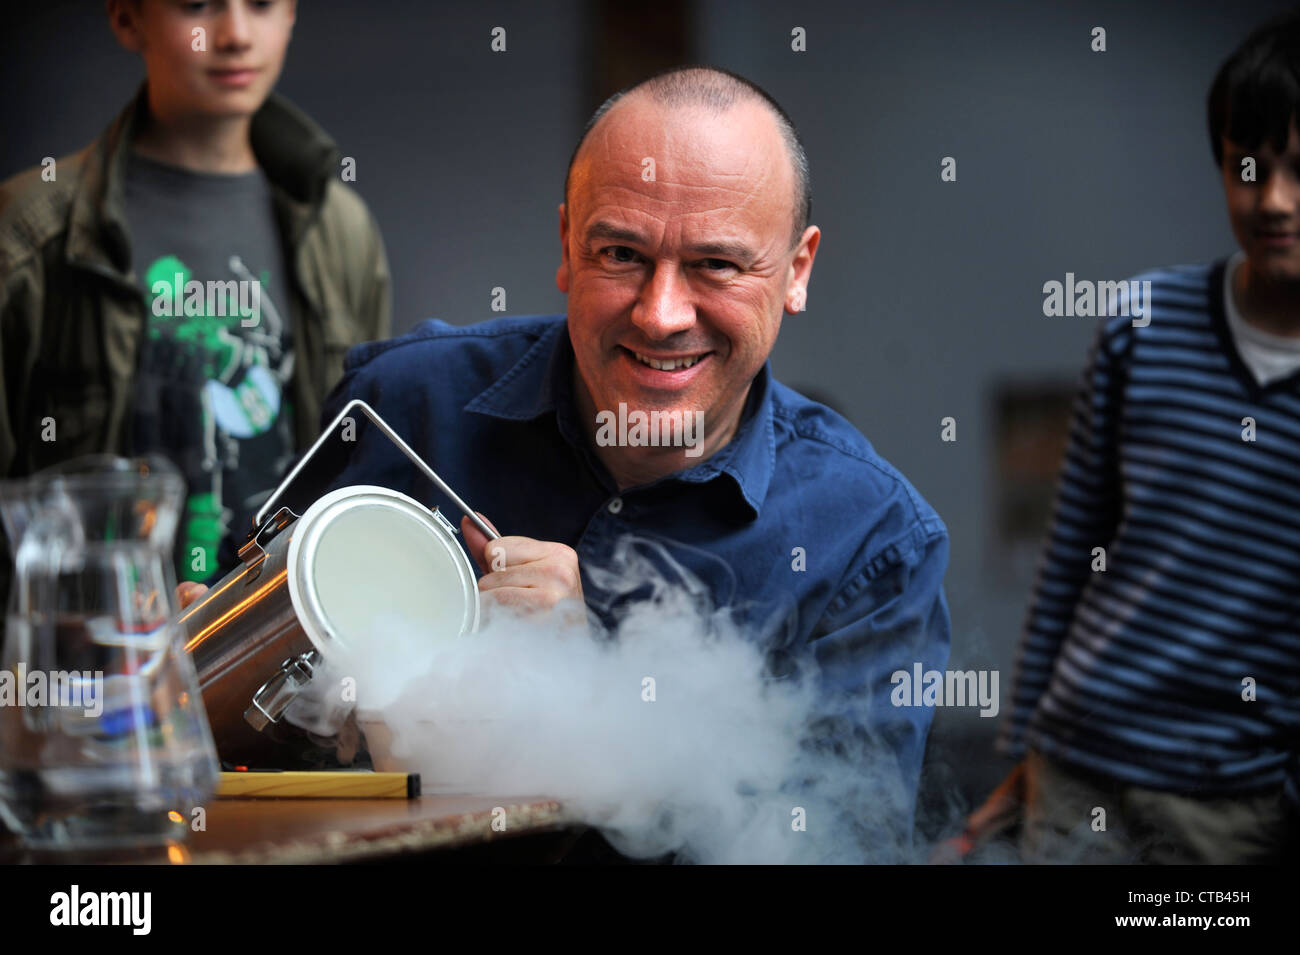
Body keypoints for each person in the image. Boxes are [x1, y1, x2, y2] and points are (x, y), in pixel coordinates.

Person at [307, 66, 951, 861]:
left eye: (717, 264)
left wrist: (593, 683)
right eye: (621, 253)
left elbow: (840, 848)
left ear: (797, 270)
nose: (661, 313)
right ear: (567, 249)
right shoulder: (403, 404)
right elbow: (233, 729)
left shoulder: (872, 541)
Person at [979, 12, 1300, 864]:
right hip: (1079, 763)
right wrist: (1020, 754)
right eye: (1248, 166)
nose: (1272, 198)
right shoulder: (1142, 323)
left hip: (1233, 805)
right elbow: (1071, 554)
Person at [0, 0, 390, 597]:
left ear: (290, 14)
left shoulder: (340, 230)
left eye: (261, 5)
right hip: (95, 666)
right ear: (128, 19)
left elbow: (363, 473)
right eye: (196, 6)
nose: (234, 35)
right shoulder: (30, 232)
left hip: (282, 660)